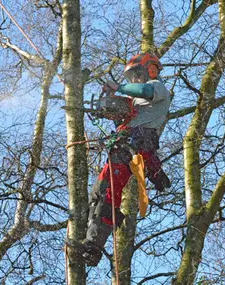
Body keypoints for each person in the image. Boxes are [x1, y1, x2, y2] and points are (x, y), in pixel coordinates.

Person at [66, 53, 171, 266]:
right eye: (131, 77)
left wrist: (119, 87)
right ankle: (90, 241)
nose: (134, 80)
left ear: (150, 70)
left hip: (134, 145)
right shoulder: (136, 101)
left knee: (108, 194)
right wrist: (110, 102)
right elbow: (125, 110)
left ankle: (93, 246)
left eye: (137, 74)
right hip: (123, 146)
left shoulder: (157, 88)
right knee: (98, 193)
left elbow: (146, 91)